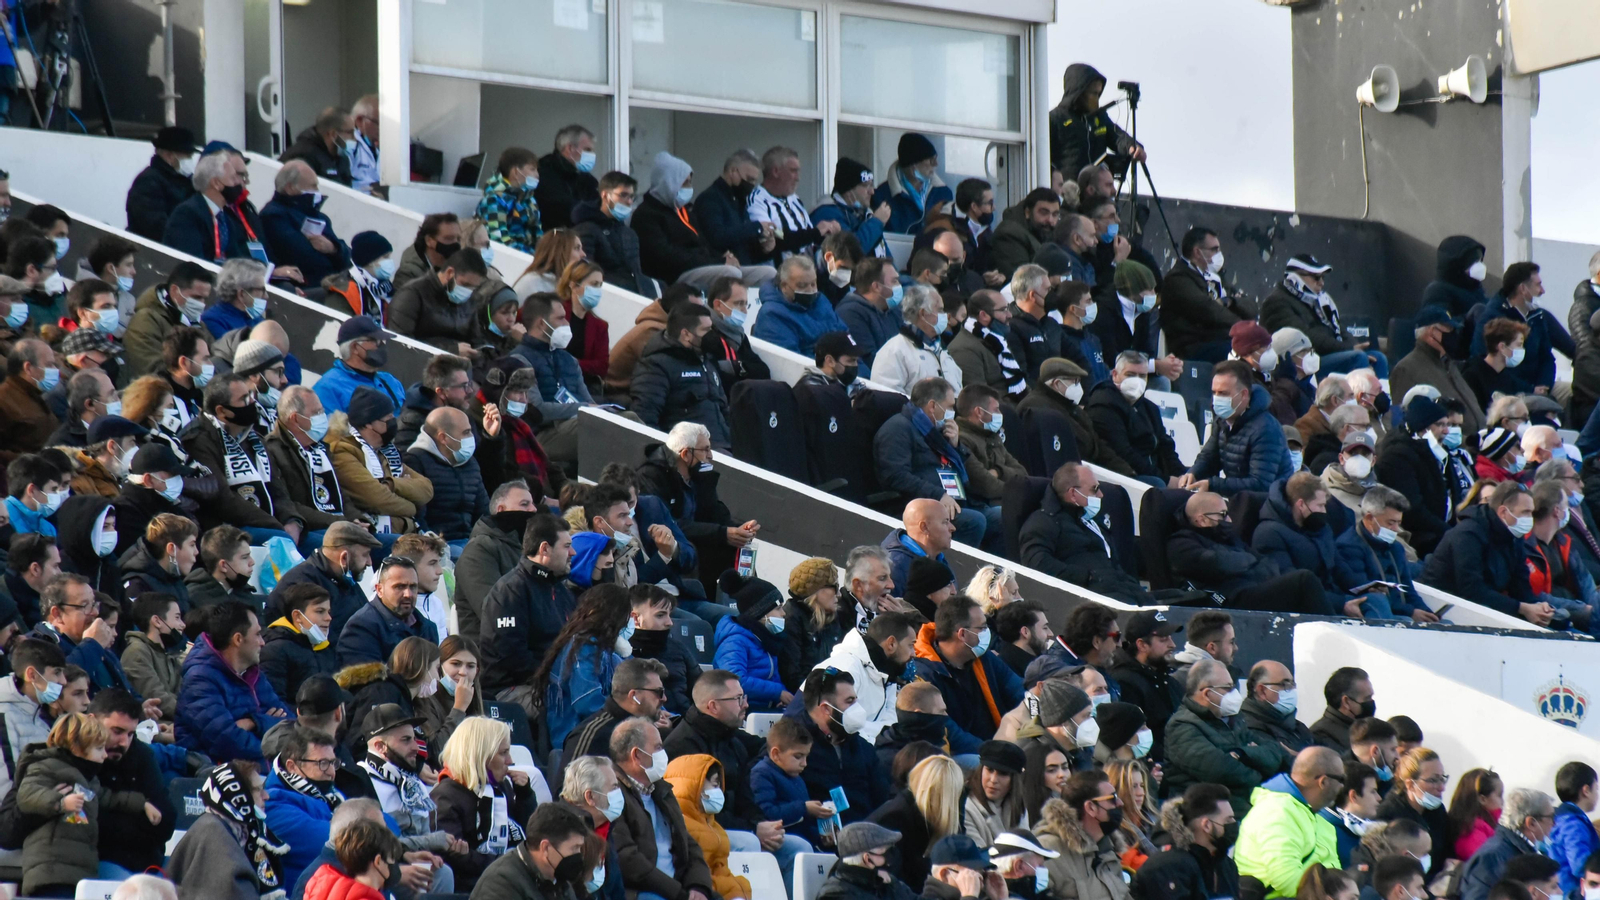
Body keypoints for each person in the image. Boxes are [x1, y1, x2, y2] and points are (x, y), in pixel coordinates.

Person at [605, 714, 718, 900]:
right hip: (642, 892)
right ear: (636, 755)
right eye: (658, 747)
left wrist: (698, 887)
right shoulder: (613, 796)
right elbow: (627, 859)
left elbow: (689, 844)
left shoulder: (661, 790)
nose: (663, 754)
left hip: (678, 889)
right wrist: (678, 893)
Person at [1167, 491, 1331, 614]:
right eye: (1223, 515)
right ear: (1201, 519)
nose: (1229, 520)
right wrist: (1249, 561)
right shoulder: (1181, 544)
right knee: (1303, 580)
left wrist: (1244, 562)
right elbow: (1218, 563)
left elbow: (1269, 564)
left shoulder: (1228, 538)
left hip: (1252, 590)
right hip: (1228, 602)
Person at [1163, 659, 1288, 816]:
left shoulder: (1234, 720)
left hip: (1243, 804)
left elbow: (1274, 752)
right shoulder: (1182, 726)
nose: (1234, 694)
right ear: (1207, 694)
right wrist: (1260, 771)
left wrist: (1242, 754)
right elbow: (1221, 771)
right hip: (1206, 814)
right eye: (1228, 688)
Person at [1423, 481, 1556, 627]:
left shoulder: (1513, 537)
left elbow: (1521, 586)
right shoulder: (1468, 534)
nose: (1530, 519)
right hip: (1441, 609)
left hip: (1481, 610)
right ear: (1503, 512)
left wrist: (1537, 608)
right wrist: (1522, 608)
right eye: (1525, 512)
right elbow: (1472, 590)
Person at [1019, 461, 1151, 604]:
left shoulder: (1091, 522)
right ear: (1073, 494)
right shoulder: (1043, 521)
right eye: (1095, 489)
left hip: (1121, 590)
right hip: (1092, 602)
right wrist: (1088, 577)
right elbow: (1038, 565)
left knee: (1176, 597)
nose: (1101, 495)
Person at [429, 715, 537, 890]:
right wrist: (511, 866)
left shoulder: (502, 787)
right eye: (503, 753)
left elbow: (529, 834)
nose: (510, 761)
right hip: (474, 887)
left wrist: (525, 796)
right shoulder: (444, 797)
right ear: (479, 756)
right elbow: (452, 859)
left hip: (509, 876)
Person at [175, 600, 289, 765]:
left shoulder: (252, 673)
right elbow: (229, 742)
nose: (263, 642)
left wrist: (254, 722)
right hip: (220, 776)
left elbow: (290, 725)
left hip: (262, 770)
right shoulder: (200, 679)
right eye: (257, 634)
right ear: (238, 639)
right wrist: (270, 730)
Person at [168, 759, 291, 900]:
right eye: (258, 790)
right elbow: (234, 892)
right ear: (239, 796)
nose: (266, 796)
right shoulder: (213, 834)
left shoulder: (239, 830)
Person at [911, 595, 1024, 747]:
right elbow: (951, 733)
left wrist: (1038, 717)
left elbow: (1019, 691)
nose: (987, 632)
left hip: (998, 746)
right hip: (965, 756)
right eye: (982, 628)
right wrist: (992, 753)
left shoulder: (985, 658)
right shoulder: (926, 675)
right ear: (962, 634)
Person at [1230, 745, 1342, 898]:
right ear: (1323, 781)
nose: (1343, 786)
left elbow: (1336, 875)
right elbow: (1286, 878)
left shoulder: (1319, 818)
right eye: (1342, 779)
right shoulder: (1276, 810)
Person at [1181, 359, 1294, 495]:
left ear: (1243, 395)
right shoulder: (1223, 420)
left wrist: (1212, 485)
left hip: (1269, 504)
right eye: (1214, 392)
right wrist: (1193, 473)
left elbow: (1260, 484)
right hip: (1240, 499)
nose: (1216, 399)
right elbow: (1209, 458)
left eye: (1223, 393)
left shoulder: (1266, 428)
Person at [265, 521, 380, 651]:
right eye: (365, 555)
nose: (370, 562)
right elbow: (323, 643)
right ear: (344, 558)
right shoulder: (301, 583)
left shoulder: (344, 578)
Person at [632, 304, 732, 448]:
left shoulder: (708, 362)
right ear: (686, 334)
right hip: (690, 453)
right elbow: (645, 418)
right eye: (706, 330)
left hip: (723, 448)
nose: (712, 335)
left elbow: (724, 410)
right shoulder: (656, 366)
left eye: (712, 329)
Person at [1085, 351, 1183, 484]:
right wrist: (1166, 480)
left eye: (1142, 376)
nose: (1137, 381)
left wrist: (1182, 477)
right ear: (1115, 375)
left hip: (1153, 473)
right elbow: (1123, 453)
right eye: (1130, 375)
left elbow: (1166, 447)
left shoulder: (1149, 408)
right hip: (1125, 476)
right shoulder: (1103, 404)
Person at [1033, 769, 1132, 900]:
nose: (1120, 803)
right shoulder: (1046, 850)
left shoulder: (1107, 849)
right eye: (1112, 798)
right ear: (1091, 807)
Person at [665, 755, 754, 900]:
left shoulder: (713, 826)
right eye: (715, 784)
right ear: (694, 786)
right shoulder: (682, 825)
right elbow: (697, 876)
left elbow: (721, 871)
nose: (719, 791)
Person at [161, 152, 273, 266]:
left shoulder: (224, 215)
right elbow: (192, 261)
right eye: (233, 178)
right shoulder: (187, 214)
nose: (239, 183)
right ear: (216, 183)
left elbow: (237, 256)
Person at [1131, 782, 1239, 900]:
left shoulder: (1227, 866)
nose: (1234, 824)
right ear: (1207, 825)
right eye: (1228, 821)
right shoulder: (1168, 867)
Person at [337, 555, 437, 667]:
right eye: (399, 587)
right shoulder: (360, 628)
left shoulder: (428, 628)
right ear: (379, 589)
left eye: (413, 587)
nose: (408, 594)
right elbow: (368, 682)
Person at [260, 161, 350, 285]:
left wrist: (333, 248)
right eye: (313, 186)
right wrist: (334, 258)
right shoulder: (274, 216)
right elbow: (303, 256)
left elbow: (348, 256)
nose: (317, 191)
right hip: (305, 285)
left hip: (331, 281)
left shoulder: (319, 216)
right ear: (290, 188)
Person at [1458, 788, 1557, 900]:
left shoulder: (1521, 849)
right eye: (1551, 817)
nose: (1554, 823)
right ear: (1531, 823)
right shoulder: (1492, 857)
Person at [386, 247, 489, 354]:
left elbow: (476, 342)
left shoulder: (469, 301)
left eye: (473, 287)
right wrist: (452, 350)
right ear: (450, 273)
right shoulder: (412, 295)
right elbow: (400, 344)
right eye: (465, 284)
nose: (468, 291)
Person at [1159, 228, 1241, 362]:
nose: (1218, 254)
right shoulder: (1178, 279)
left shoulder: (1213, 276)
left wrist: (1229, 301)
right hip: (1191, 348)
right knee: (1240, 352)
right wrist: (1242, 326)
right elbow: (1207, 310)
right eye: (1214, 249)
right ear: (1197, 252)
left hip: (1213, 340)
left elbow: (1248, 303)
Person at [1372, 748, 1454, 882]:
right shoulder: (1387, 815)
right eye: (1433, 780)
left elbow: (1447, 850)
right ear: (1410, 784)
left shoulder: (1437, 810)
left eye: (1442, 778)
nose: (1441, 787)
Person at [1049, 63, 1144, 176]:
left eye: (1099, 94)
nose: (1097, 99)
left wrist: (1132, 147)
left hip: (1097, 190)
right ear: (1079, 92)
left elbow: (1117, 137)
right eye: (1094, 93)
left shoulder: (1100, 117)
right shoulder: (1055, 119)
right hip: (1068, 191)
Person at [261, 583, 337, 704]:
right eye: (320, 611)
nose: (328, 618)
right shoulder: (275, 650)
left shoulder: (326, 648)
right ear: (297, 616)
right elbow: (274, 705)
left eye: (328, 612)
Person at [312, 316, 406, 414]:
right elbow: (331, 428)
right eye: (375, 340)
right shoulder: (328, 387)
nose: (381, 345)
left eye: (382, 340)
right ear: (355, 347)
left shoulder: (390, 381)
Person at [811, 821, 918, 900]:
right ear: (867, 859)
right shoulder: (834, 894)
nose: (890, 859)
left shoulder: (886, 883)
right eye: (886, 852)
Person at [126, 126, 199, 241]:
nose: (190, 160)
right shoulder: (148, 182)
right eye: (188, 156)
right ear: (170, 156)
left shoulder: (186, 181)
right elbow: (155, 226)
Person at [836, 258, 905, 378]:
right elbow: (870, 360)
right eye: (894, 281)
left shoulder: (892, 309)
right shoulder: (850, 314)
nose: (899, 286)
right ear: (876, 286)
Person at [120, 593, 186, 720]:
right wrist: (196, 716)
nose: (182, 624)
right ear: (157, 621)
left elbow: (182, 694)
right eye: (177, 618)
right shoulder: (137, 652)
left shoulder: (168, 652)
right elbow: (158, 698)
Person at [812, 158, 890, 259]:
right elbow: (852, 252)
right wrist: (876, 221)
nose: (872, 191)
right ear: (849, 191)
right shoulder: (827, 213)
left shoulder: (864, 214)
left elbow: (885, 256)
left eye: (872, 185)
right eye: (866, 186)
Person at [0, 339, 60, 467]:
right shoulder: (4, 399)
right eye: (49, 365)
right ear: (28, 368)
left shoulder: (34, 394)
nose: (55, 370)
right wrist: (33, 462)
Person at [476, 146, 542, 254]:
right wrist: (534, 257)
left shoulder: (529, 200)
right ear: (516, 172)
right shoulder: (494, 200)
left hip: (531, 259)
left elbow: (538, 234)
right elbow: (499, 241)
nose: (537, 175)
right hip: (509, 260)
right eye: (532, 169)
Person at [188, 524, 264, 611]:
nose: (252, 562)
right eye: (245, 557)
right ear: (224, 565)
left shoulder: (247, 595)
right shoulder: (195, 599)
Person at [1550, 763, 1599, 894]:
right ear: (1586, 790)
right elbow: (1579, 864)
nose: (1597, 794)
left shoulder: (1563, 818)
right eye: (1597, 788)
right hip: (1571, 892)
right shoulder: (1572, 824)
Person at [1466, 318, 1534, 409]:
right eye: (1519, 345)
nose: (1522, 350)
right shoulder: (1472, 376)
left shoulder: (1506, 376)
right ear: (1502, 347)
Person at [280, 107, 355, 186]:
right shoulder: (303, 156)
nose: (354, 138)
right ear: (333, 134)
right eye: (350, 132)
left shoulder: (342, 158)